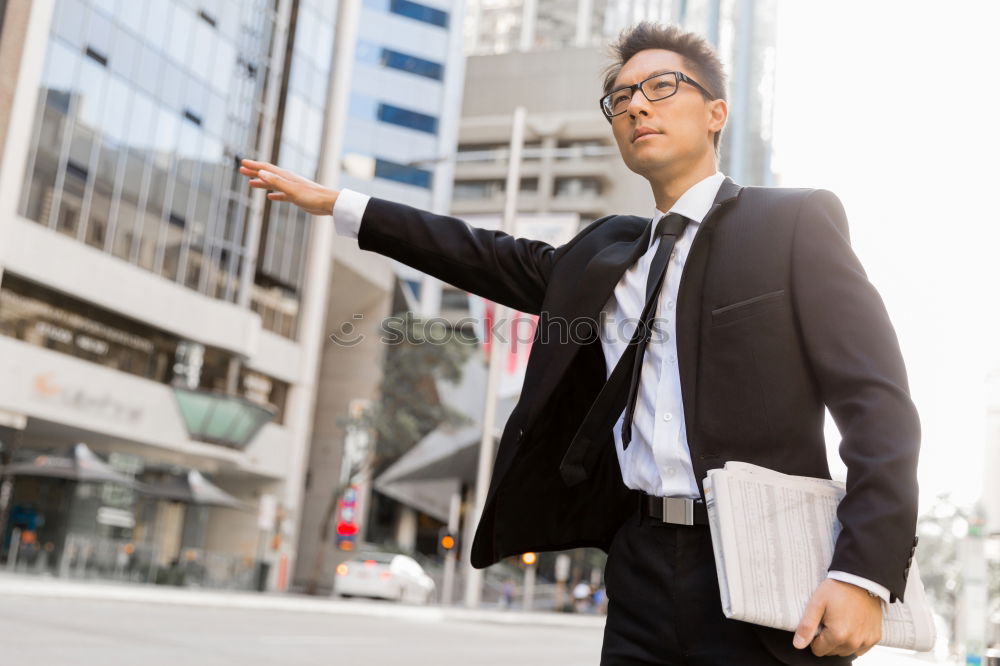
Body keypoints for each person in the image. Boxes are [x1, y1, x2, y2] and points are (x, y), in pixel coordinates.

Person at [239, 20, 920, 665]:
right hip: (640, 564)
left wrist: (862, 571)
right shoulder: (608, 252)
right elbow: (482, 253)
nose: (636, 108)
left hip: (764, 562)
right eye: (620, 98)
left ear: (716, 112)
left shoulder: (791, 224)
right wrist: (342, 205)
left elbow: (877, 404)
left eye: (660, 87)